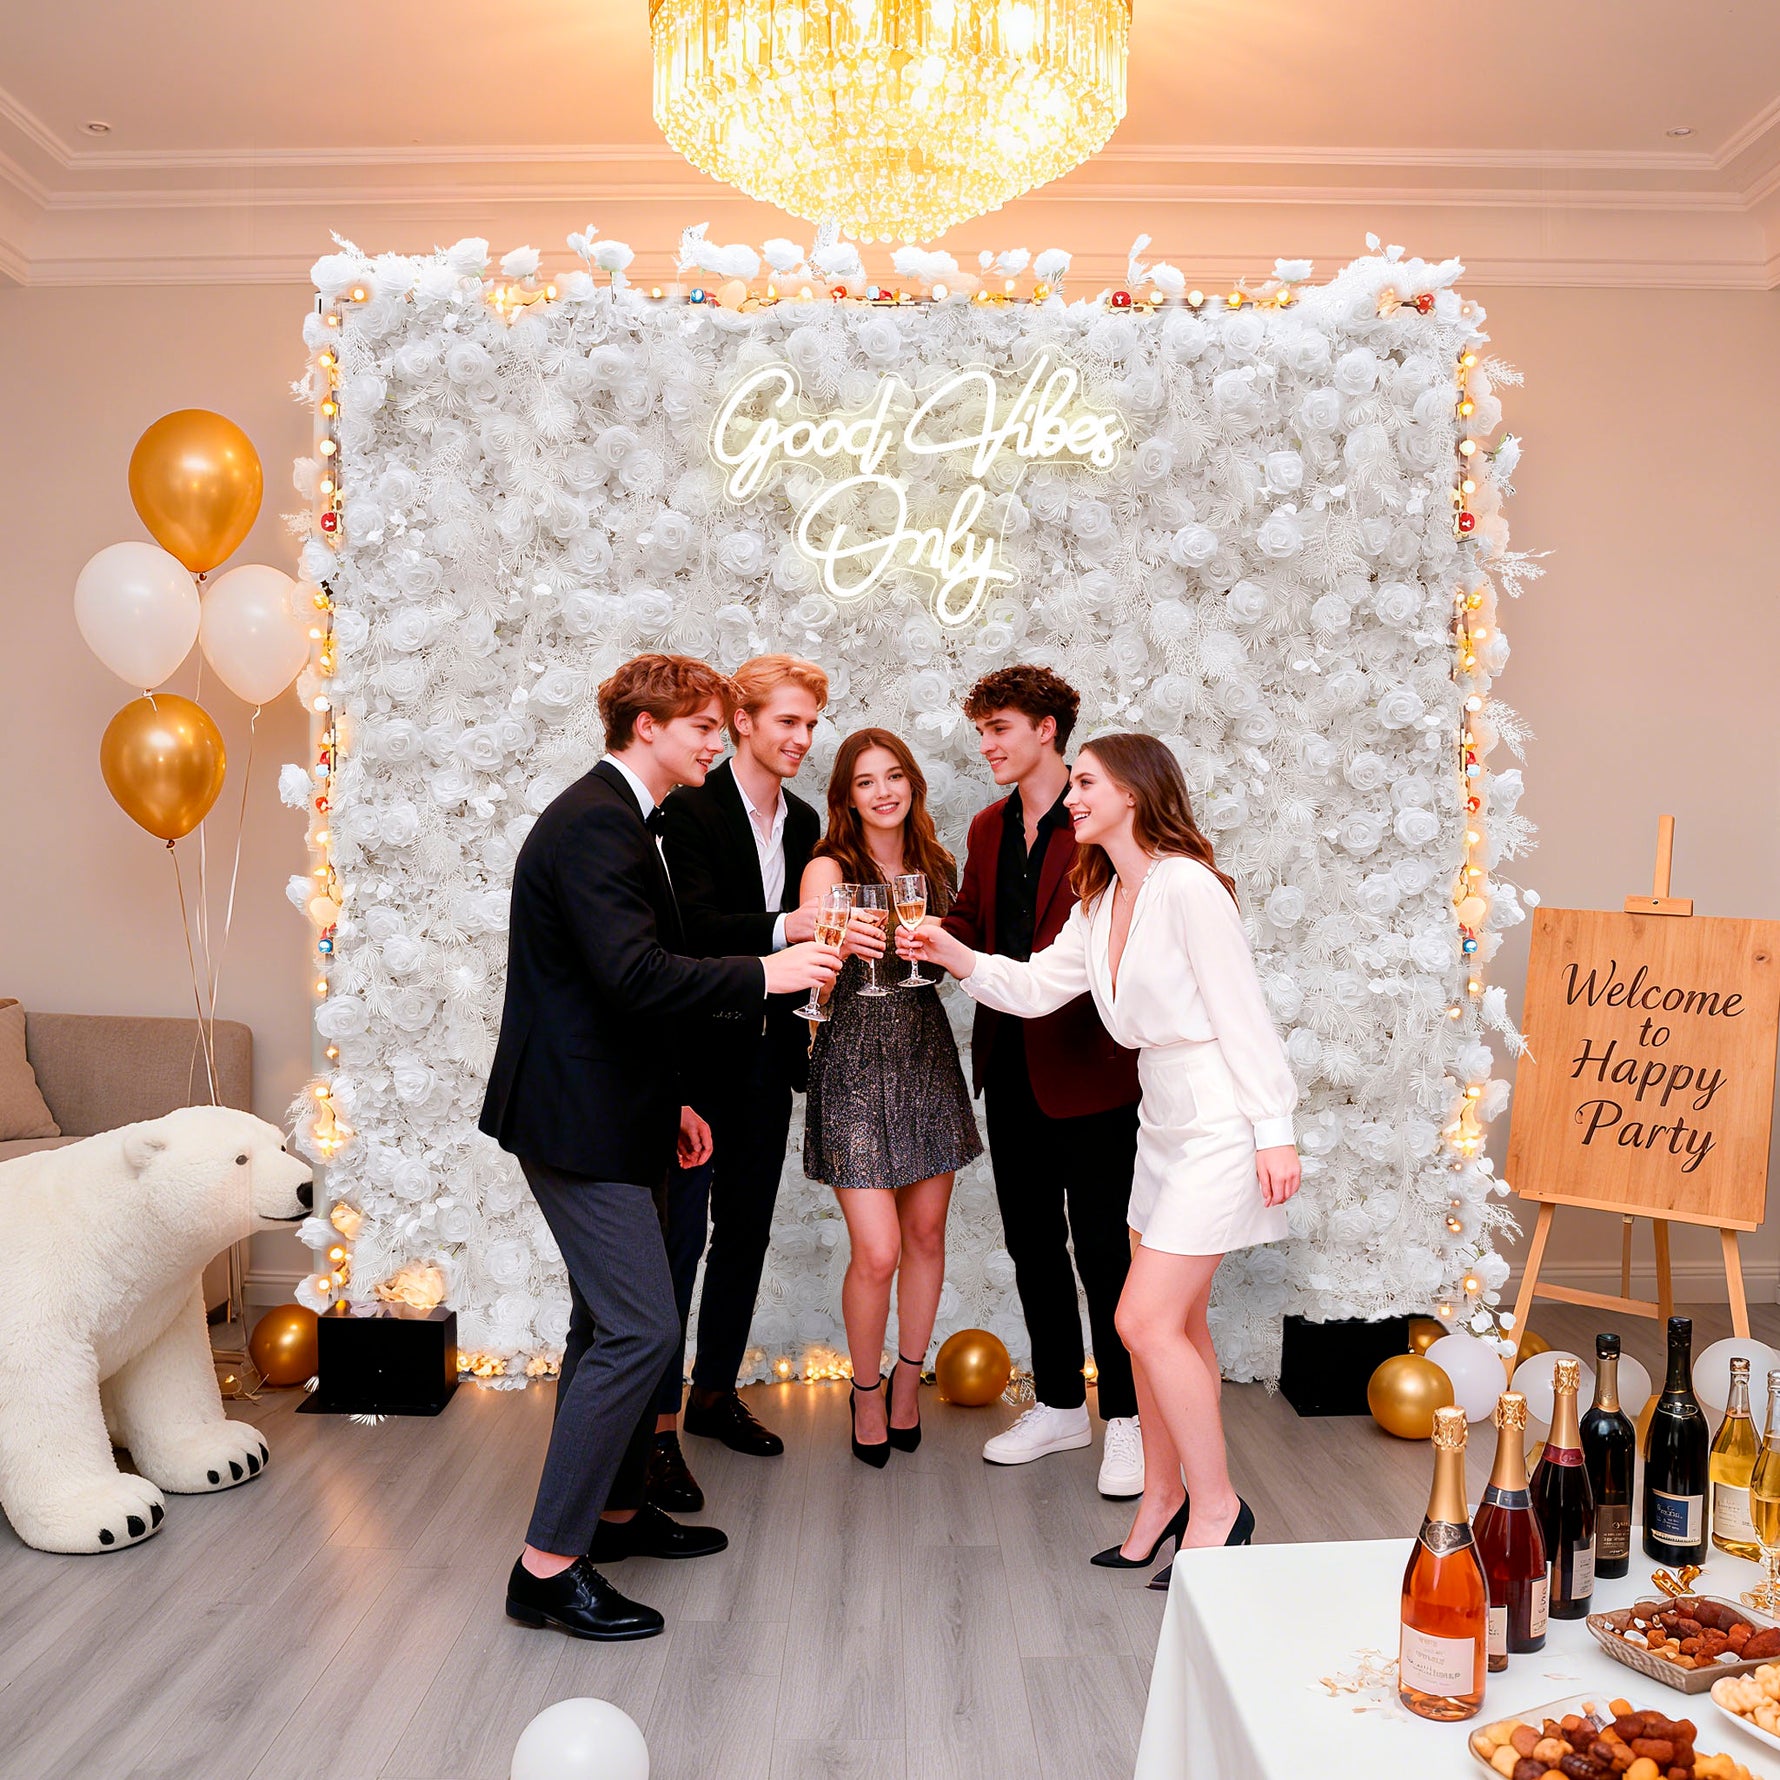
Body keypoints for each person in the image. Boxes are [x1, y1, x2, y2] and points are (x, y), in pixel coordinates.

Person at [481, 653, 841, 1640]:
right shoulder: (596, 820)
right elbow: (636, 974)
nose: (717, 744)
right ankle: (547, 1567)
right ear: (646, 726)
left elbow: (619, 985)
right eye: (702, 729)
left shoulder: (615, 815)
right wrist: (769, 973)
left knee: (606, 1324)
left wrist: (677, 1097)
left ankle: (616, 1515)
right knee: (639, 1327)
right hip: (574, 1116)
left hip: (620, 1106)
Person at [902, 731, 1299, 1584]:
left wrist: (1275, 1129)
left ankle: (1220, 1507)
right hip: (1161, 1123)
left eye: (1086, 783)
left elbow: (1244, 1014)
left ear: (1134, 794)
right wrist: (955, 953)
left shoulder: (1190, 888)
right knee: (1179, 1327)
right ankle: (1163, 1499)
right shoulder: (1102, 900)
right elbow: (1036, 989)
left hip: (1220, 1121)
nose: (1071, 797)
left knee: (1140, 1321)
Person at [945, 666, 1145, 1499]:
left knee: (1105, 1252)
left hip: (1094, 1072)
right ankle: (1062, 1404)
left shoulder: (1098, 818)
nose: (987, 745)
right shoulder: (988, 826)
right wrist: (924, 937)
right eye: (983, 731)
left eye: (999, 729)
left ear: (1048, 731)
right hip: (1010, 1068)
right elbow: (971, 919)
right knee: (1031, 1245)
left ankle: (1129, 1421)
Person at [651, 656, 827, 1505]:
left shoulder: (804, 822)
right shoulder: (684, 811)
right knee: (677, 1245)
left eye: (810, 726)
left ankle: (713, 1394)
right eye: (786, 722)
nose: (801, 740)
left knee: (746, 1234)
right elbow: (688, 929)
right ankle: (653, 1430)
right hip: (691, 1067)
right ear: (744, 722)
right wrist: (788, 928)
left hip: (766, 1063)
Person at [800, 728, 984, 1465]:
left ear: (913, 784)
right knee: (876, 1251)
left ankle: (910, 1380)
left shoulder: (936, 867)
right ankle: (867, 1389)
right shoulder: (827, 867)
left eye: (895, 776)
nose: (884, 791)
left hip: (923, 1055)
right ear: (846, 796)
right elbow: (810, 977)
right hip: (849, 1059)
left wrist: (935, 948)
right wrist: (837, 949)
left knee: (927, 1238)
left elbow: (951, 966)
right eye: (867, 781)